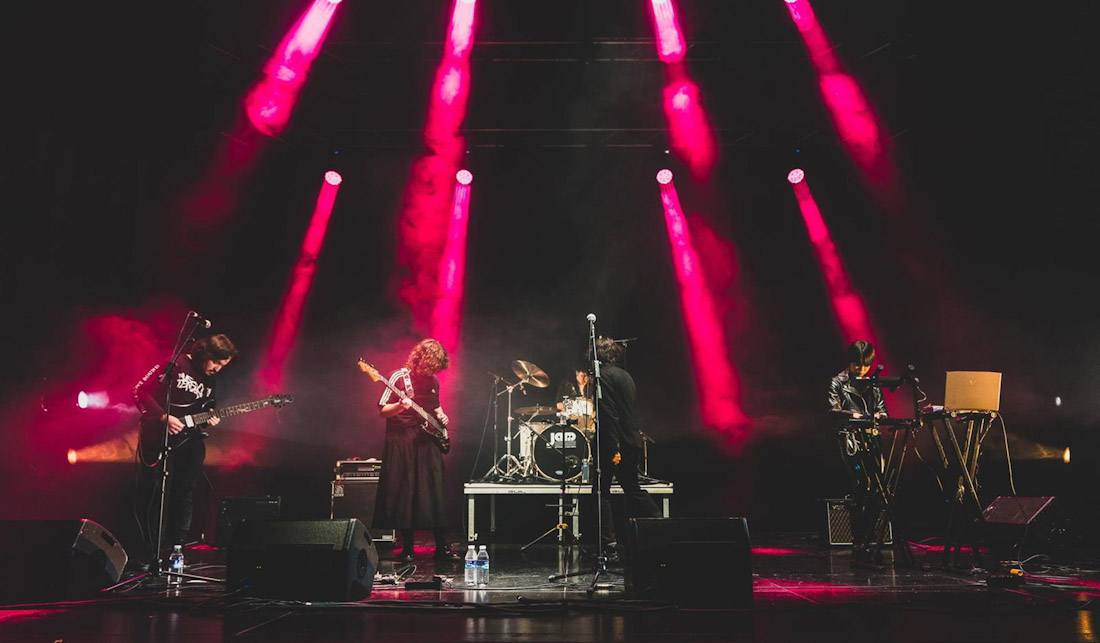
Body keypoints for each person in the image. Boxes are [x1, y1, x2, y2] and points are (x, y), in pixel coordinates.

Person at [133, 333, 238, 562]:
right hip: (160, 437)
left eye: (223, 365)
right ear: (205, 353)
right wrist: (163, 417)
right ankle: (150, 554)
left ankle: (177, 548)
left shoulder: (210, 380)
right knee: (158, 493)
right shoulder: (175, 363)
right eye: (216, 362)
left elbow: (208, 407)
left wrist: (211, 416)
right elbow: (139, 391)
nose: (218, 369)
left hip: (191, 442)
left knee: (185, 493)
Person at [373, 338, 461, 563]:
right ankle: (408, 549)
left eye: (436, 368)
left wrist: (442, 415)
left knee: (434, 490)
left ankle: (442, 547)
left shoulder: (433, 380)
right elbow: (382, 411)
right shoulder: (398, 377)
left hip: (427, 438)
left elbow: (435, 405)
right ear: (421, 360)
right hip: (402, 438)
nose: (433, 371)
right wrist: (400, 406)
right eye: (431, 366)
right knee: (405, 491)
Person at [589, 337, 660, 561]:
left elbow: (609, 414)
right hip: (631, 440)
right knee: (632, 488)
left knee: (600, 492)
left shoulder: (602, 377)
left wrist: (612, 447)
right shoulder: (625, 376)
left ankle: (608, 545)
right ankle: (662, 526)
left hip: (613, 442)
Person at [827, 340, 888, 559]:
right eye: (857, 364)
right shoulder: (838, 381)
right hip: (851, 438)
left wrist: (880, 415)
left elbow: (882, 409)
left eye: (865, 365)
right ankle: (859, 537)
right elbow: (832, 410)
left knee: (878, 486)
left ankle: (872, 535)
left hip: (872, 437)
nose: (861, 369)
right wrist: (854, 415)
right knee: (862, 485)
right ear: (850, 362)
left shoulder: (873, 384)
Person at [555, 368, 593, 432]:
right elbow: (558, 404)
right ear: (577, 373)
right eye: (582, 376)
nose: (584, 378)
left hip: (588, 421)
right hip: (570, 419)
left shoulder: (591, 388)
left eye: (586, 376)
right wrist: (565, 411)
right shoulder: (566, 386)